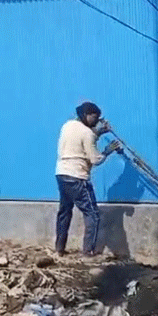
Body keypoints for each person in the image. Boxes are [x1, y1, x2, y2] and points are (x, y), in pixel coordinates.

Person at [55, 102, 121, 257]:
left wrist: (98, 132)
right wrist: (107, 151)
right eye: (95, 118)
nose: (97, 121)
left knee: (64, 212)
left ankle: (59, 248)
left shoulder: (67, 126)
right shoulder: (87, 133)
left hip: (61, 174)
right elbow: (95, 159)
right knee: (93, 215)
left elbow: (81, 139)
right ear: (86, 115)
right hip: (78, 176)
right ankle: (88, 252)